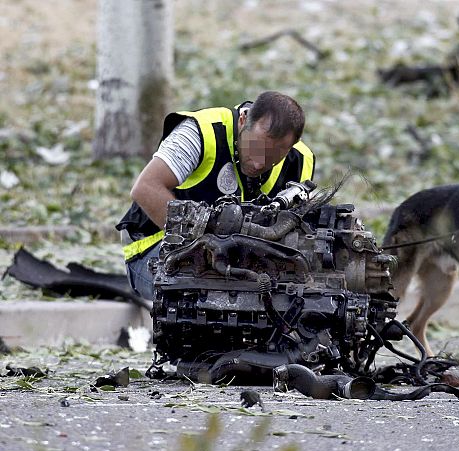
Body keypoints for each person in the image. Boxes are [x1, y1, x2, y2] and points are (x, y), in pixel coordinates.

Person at [116, 91, 315, 300]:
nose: (259, 163)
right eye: (256, 147)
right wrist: (199, 242)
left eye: (274, 156)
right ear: (243, 119)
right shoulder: (201, 131)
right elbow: (145, 188)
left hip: (242, 258)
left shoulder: (300, 160)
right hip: (154, 247)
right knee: (209, 297)